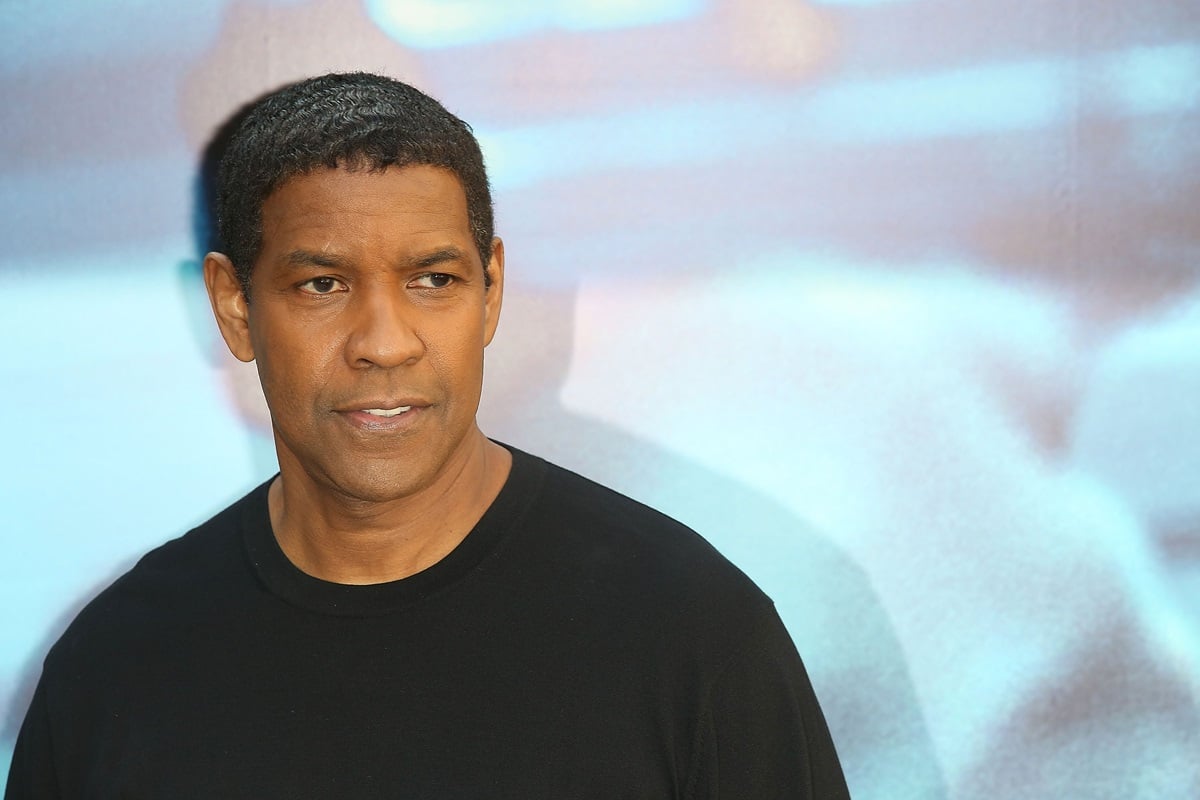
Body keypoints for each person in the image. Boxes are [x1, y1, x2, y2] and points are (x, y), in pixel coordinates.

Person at [5, 72, 849, 798]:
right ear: (234, 306)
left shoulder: (694, 635)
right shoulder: (116, 669)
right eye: (324, 284)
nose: (384, 340)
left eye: (433, 280)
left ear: (491, 293)